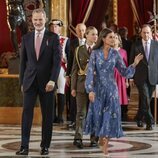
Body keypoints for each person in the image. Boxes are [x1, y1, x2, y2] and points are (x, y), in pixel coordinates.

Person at [84, 28, 143, 156]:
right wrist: (90, 90)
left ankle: (106, 148)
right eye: (110, 37)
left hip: (112, 91)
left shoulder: (115, 54)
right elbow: (90, 74)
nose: (113, 39)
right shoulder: (95, 53)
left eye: (114, 37)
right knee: (99, 118)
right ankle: (100, 138)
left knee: (109, 118)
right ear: (103, 39)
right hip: (98, 91)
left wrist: (134, 64)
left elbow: (123, 72)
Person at [16, 8, 61, 155]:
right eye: (35, 19)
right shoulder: (26, 38)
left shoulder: (53, 38)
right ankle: (24, 146)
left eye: (40, 19)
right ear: (32, 20)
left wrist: (53, 80)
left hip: (47, 83)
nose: (37, 22)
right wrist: (22, 82)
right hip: (29, 82)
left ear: (45, 19)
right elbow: (23, 63)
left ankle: (45, 146)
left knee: (47, 116)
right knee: (26, 114)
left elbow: (57, 62)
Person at [71, 26, 98, 149]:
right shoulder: (78, 50)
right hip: (81, 86)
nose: (95, 37)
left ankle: (94, 139)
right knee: (81, 113)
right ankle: (78, 138)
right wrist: (73, 87)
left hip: (95, 87)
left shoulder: (100, 50)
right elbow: (74, 70)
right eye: (93, 34)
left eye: (96, 34)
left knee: (94, 113)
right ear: (86, 35)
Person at [129, 24, 158, 130]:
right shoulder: (135, 45)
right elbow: (131, 60)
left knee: (145, 100)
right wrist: (131, 77)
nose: (146, 34)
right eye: (144, 32)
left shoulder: (156, 44)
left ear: (151, 33)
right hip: (140, 77)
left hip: (153, 77)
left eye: (148, 32)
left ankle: (139, 117)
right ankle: (150, 121)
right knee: (145, 98)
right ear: (141, 34)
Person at [49, 19, 70, 124]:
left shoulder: (65, 40)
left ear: (60, 27)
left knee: (60, 90)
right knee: (50, 90)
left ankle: (60, 116)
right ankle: (51, 115)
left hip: (61, 67)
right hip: (48, 67)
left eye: (56, 26)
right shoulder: (45, 39)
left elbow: (68, 55)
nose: (54, 28)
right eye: (52, 26)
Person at [66, 23, 86, 129]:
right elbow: (70, 60)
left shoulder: (90, 43)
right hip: (75, 74)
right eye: (79, 31)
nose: (81, 33)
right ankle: (73, 120)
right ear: (76, 32)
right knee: (73, 98)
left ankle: (85, 121)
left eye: (83, 30)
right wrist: (67, 75)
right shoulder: (72, 43)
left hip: (86, 75)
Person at [114, 33, 129, 121]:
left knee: (119, 97)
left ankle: (118, 116)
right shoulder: (107, 50)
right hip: (110, 76)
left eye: (116, 38)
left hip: (120, 77)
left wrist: (126, 80)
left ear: (119, 40)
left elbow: (126, 66)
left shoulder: (123, 52)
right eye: (113, 37)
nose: (114, 39)